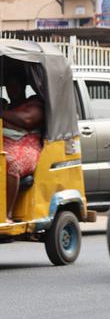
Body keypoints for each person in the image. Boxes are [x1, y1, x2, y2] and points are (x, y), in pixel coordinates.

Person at [1, 63, 44, 222]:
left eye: (15, 85)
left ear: (23, 85)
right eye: (9, 86)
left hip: (27, 145)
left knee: (11, 163)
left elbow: (26, 120)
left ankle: (6, 214)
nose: (13, 90)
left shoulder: (34, 103)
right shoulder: (7, 105)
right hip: (5, 142)